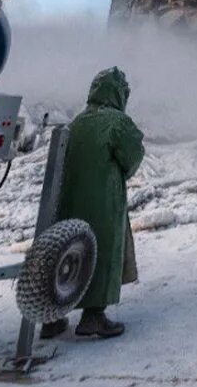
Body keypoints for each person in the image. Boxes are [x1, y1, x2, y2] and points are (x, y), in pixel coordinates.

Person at [42, 66, 145, 339]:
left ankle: (52, 316)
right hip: (103, 202)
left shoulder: (77, 122)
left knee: (67, 252)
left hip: (68, 201)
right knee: (101, 250)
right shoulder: (117, 122)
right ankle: (93, 316)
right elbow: (132, 156)